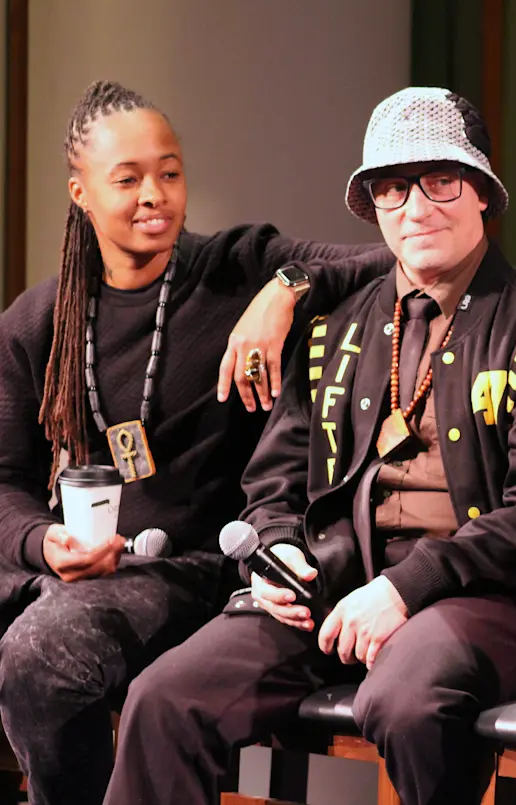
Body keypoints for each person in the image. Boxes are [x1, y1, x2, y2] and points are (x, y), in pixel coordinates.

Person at [105, 86, 516, 805]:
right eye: (392, 188)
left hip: (509, 601)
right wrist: (279, 548)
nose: (416, 207)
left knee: (403, 696)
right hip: (338, 593)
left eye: (441, 180)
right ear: (373, 206)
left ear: (482, 192)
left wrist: (404, 589)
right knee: (164, 696)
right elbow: (275, 481)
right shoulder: (334, 328)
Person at [0, 80, 395, 805]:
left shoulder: (234, 268)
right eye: (129, 179)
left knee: (42, 658)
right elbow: (4, 481)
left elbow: (388, 262)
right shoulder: (39, 322)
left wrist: (285, 288)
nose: (155, 193)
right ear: (80, 192)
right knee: (43, 640)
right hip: (79, 573)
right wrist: (41, 541)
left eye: (170, 172)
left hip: (206, 568)